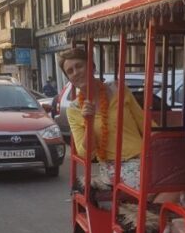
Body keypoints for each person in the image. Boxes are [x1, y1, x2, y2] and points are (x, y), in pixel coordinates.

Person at [58, 48, 146, 189]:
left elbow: (144, 123)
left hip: (144, 158)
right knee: (154, 183)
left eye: (79, 66)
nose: (76, 73)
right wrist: (89, 121)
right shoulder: (74, 109)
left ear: (92, 67)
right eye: (70, 71)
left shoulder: (119, 90)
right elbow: (86, 153)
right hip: (115, 166)